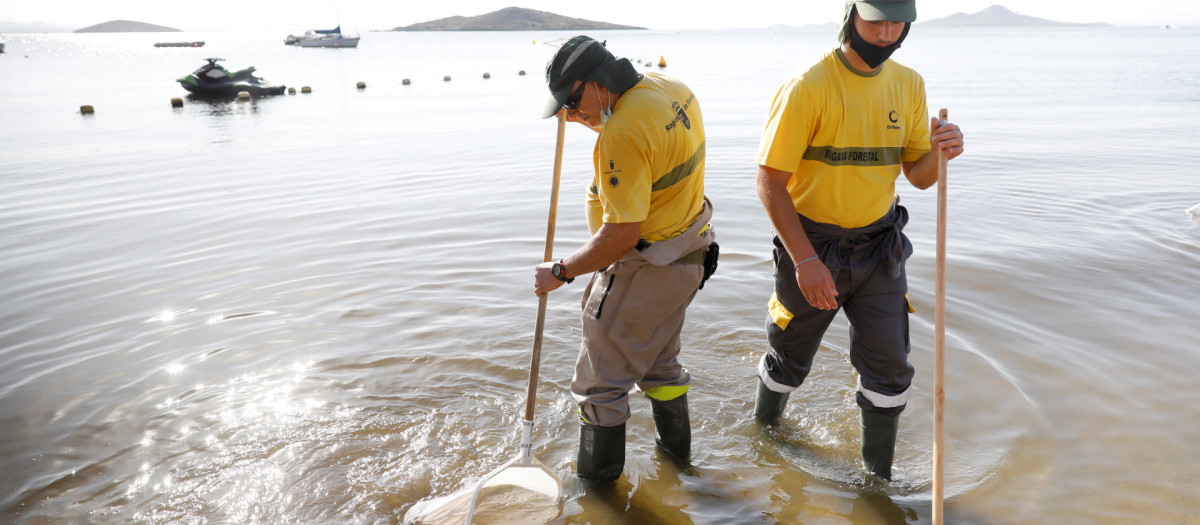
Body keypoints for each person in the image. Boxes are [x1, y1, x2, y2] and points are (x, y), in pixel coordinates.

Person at [752, 0, 964, 481]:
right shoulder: (808, 86)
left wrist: (941, 151)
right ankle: (761, 436)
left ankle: (877, 486)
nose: (887, 32)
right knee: (788, 360)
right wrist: (805, 261)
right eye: (876, 20)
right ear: (851, 14)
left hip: (880, 247)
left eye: (897, 21)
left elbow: (919, 176)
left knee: (890, 369)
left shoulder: (909, 83)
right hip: (812, 244)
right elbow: (769, 182)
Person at [534, 35, 717, 482]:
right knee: (660, 366)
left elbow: (620, 236)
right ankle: (680, 471)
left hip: (645, 267)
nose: (571, 115)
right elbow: (651, 152)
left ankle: (599, 502)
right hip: (689, 254)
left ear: (598, 83)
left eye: (574, 102)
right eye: (565, 109)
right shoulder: (666, 86)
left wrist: (561, 271)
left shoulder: (623, 131)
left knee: (599, 388)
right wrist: (594, 120)